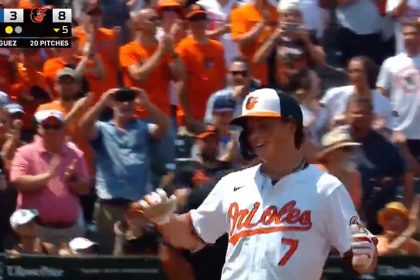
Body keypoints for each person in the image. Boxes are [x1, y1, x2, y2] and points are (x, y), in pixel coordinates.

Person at [137, 88, 378, 279]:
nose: (255, 135)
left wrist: (365, 257)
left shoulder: (325, 188)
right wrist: (164, 220)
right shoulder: (232, 183)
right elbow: (190, 236)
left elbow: (361, 253)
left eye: (265, 126)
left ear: (291, 126)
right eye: (251, 129)